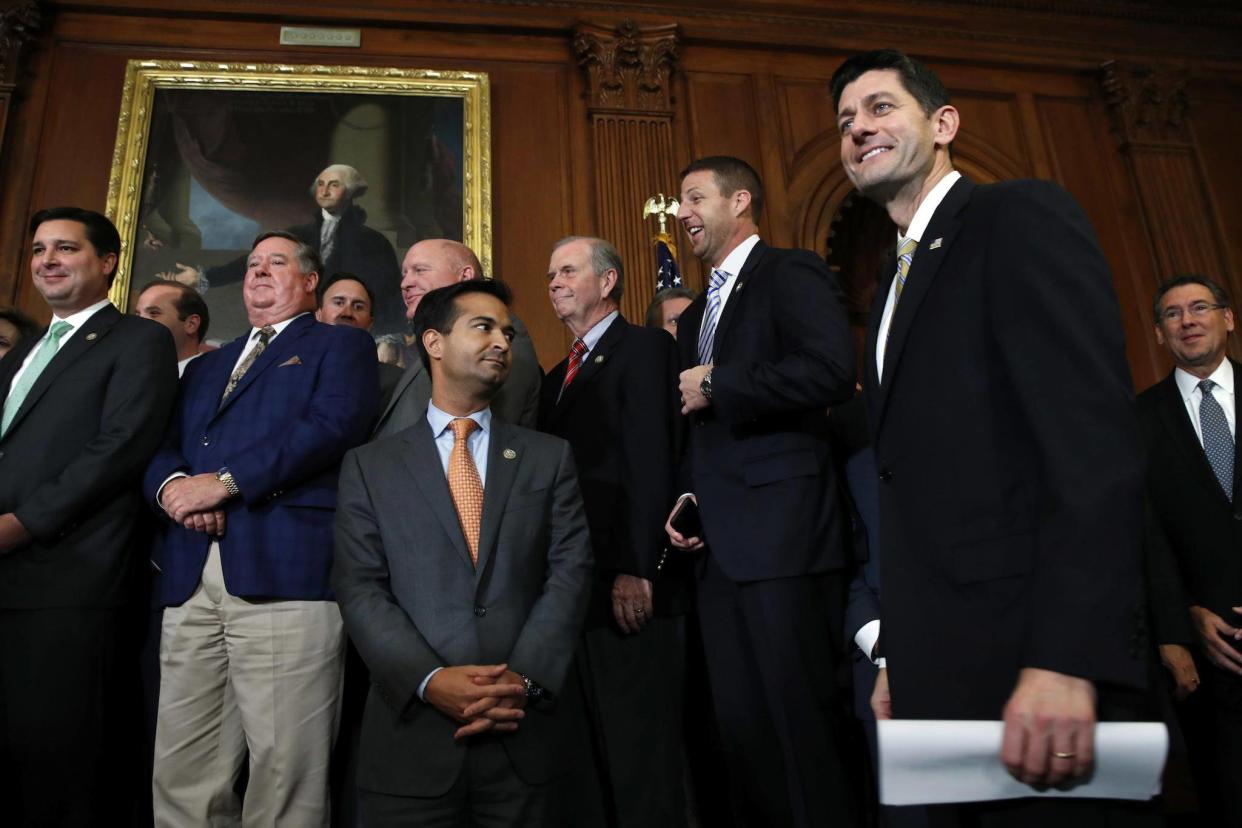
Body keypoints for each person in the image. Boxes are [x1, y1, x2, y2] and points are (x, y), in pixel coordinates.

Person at [832, 49, 1153, 823]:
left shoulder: (1018, 218)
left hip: (1037, 665)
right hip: (935, 671)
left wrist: (1068, 657)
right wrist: (899, 655)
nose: (857, 130)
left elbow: (1093, 448)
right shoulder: (885, 299)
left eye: (880, 108)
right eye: (844, 121)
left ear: (943, 123)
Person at [333, 279, 592, 825]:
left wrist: (521, 681)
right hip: (411, 745)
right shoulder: (369, 466)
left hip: (525, 739)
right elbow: (360, 587)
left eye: (507, 332)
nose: (502, 341)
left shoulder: (549, 458)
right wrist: (430, 680)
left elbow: (570, 572)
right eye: (484, 327)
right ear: (433, 342)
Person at [143, 230, 378, 825]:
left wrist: (222, 482)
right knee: (182, 765)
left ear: (309, 281)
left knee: (285, 771)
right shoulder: (206, 364)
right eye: (251, 264)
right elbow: (160, 445)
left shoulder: (338, 346)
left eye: (276, 262)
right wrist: (174, 490)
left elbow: (332, 427)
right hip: (191, 572)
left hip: (285, 570)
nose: (258, 272)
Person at [663, 155, 861, 828]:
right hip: (718, 552)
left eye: (694, 197)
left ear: (740, 200)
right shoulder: (693, 320)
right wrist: (688, 498)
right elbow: (702, 431)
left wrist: (721, 383)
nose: (681, 212)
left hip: (788, 539)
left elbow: (830, 370)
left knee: (800, 727)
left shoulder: (789, 272)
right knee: (744, 733)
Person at [0, 207, 178, 824]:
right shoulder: (22, 351)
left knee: (60, 762)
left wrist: (21, 523)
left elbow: (120, 447)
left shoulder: (138, 339)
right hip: (5, 578)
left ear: (107, 263)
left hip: (69, 575)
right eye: (39, 248)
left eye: (65, 249)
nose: (47, 260)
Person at [539, 236, 687, 827]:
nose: (554, 282)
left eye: (568, 270)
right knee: (597, 760)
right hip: (582, 590)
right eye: (550, 273)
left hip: (634, 588)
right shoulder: (556, 377)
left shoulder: (646, 348)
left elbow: (651, 461)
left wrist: (637, 565)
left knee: (641, 756)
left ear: (608, 282)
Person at [1140, 273, 1242, 823]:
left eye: (1201, 307)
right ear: (1160, 334)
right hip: (1210, 656)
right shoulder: (1136, 422)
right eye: (1173, 314)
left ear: (1227, 319)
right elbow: (1143, 537)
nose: (1188, 320)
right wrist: (1181, 622)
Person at [163, 163, 404, 335]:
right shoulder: (297, 235)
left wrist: (388, 335)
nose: (325, 190)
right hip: (300, 328)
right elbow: (252, 262)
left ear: (350, 191)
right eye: (320, 184)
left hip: (350, 331)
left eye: (334, 185)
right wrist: (206, 277)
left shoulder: (373, 242)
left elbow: (388, 291)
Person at [372, 238, 541, 436]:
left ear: (465, 276)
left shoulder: (502, 335)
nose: (405, 283)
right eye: (405, 274)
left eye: (420, 270)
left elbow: (480, 440)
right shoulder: (441, 335)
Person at [316, 271, 404, 411]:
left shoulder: (396, 382)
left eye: (358, 307)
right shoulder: (291, 371)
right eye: (338, 303)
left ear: (370, 324)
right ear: (318, 315)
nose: (347, 313)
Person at [134, 277, 210, 375]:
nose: (138, 322)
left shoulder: (213, 378)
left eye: (154, 313)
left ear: (191, 324)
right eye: (137, 314)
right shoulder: (128, 376)